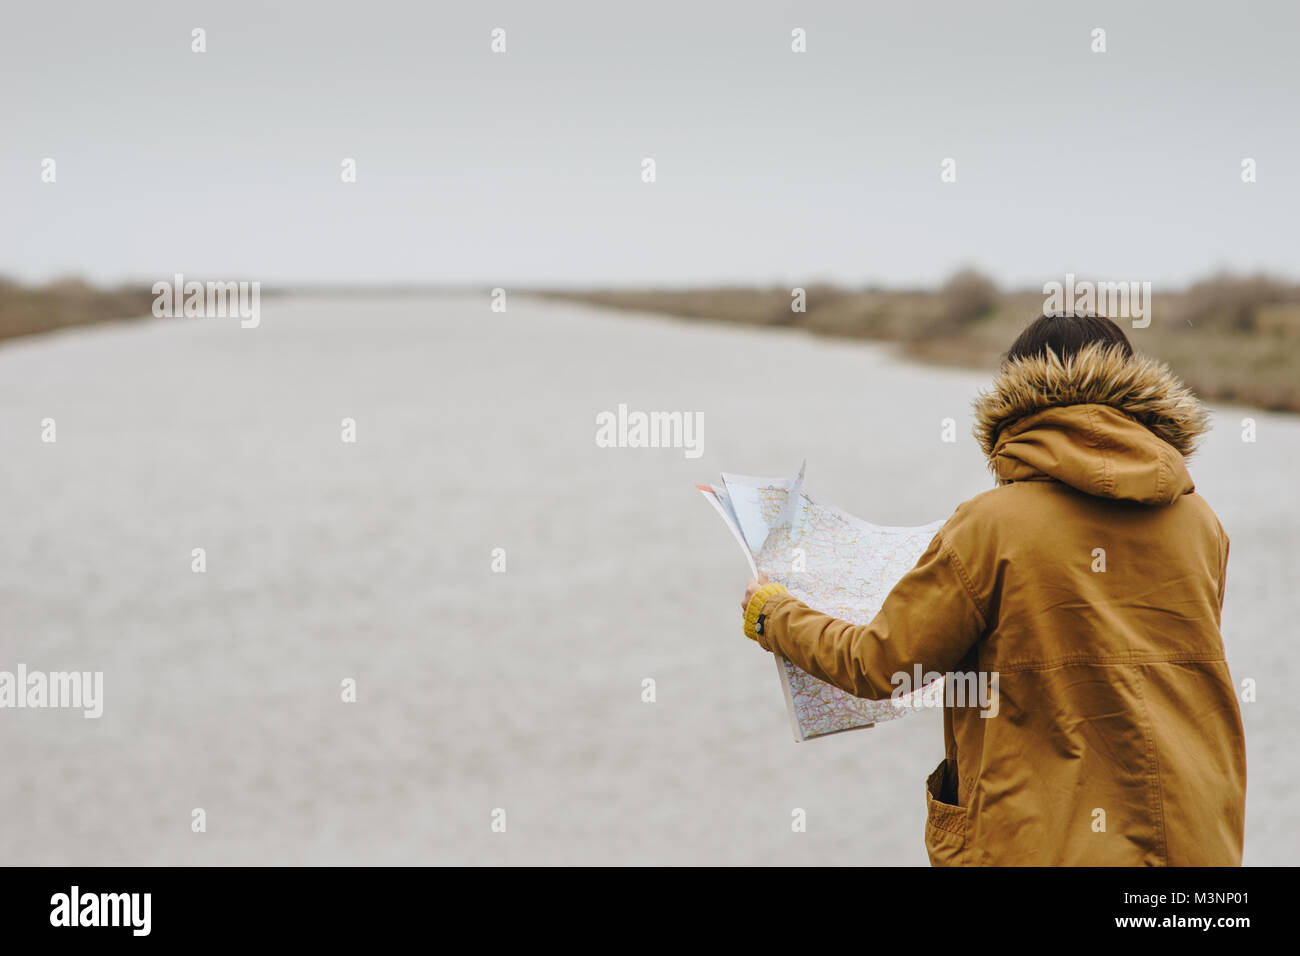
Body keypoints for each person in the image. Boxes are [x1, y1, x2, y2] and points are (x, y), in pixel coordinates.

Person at [740, 313, 1246, 866]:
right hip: (1192, 849)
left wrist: (775, 614)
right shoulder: (1201, 523)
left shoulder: (991, 525)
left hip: (1042, 846)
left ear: (1015, 405)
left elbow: (878, 663)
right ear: (1140, 395)